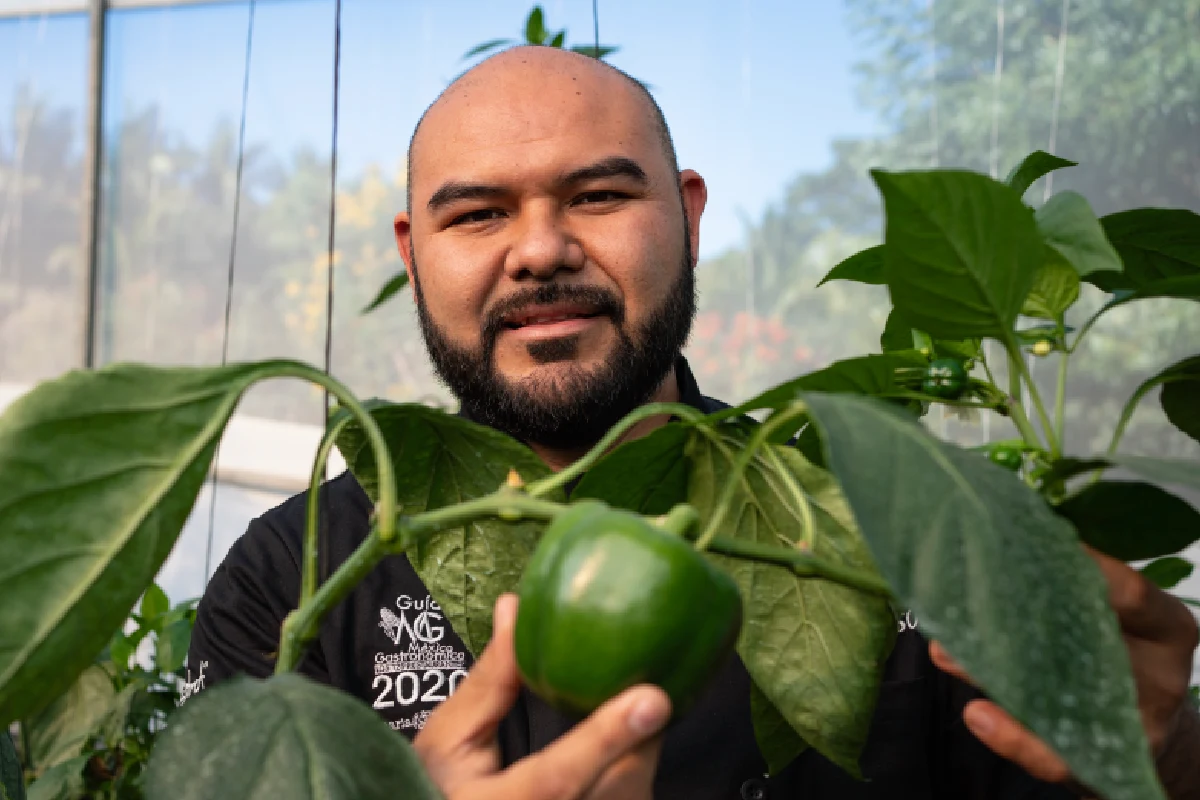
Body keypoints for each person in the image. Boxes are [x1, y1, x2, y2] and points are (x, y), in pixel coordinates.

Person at [187, 46, 1200, 799]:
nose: (540, 250)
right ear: (413, 251)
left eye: (596, 193)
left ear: (690, 214)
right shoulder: (295, 581)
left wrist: (1156, 753)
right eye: (478, 214)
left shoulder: (897, 533)